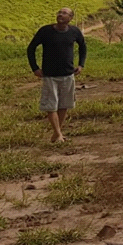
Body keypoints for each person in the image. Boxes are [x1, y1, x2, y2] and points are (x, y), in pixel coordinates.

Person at [27, 7, 86, 143]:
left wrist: (81, 64)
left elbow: (83, 47)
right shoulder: (45, 31)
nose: (60, 14)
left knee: (64, 104)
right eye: (59, 12)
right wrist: (35, 68)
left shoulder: (74, 32)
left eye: (64, 13)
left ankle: (57, 133)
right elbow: (31, 48)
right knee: (51, 105)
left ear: (70, 18)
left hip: (68, 74)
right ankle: (58, 133)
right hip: (49, 75)